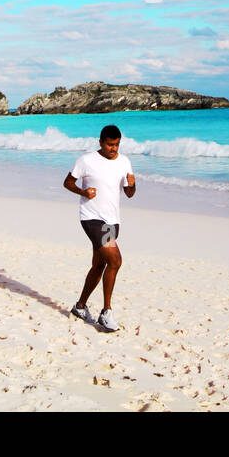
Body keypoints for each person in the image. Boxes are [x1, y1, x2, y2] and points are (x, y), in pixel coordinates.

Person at [63, 124, 135, 332]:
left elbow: (130, 193)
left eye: (117, 145)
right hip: (92, 219)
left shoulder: (124, 161)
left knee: (99, 266)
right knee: (115, 260)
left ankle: (80, 307)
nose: (114, 149)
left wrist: (131, 184)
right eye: (110, 145)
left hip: (112, 220)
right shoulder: (86, 160)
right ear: (101, 142)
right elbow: (68, 182)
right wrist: (83, 192)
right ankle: (107, 312)